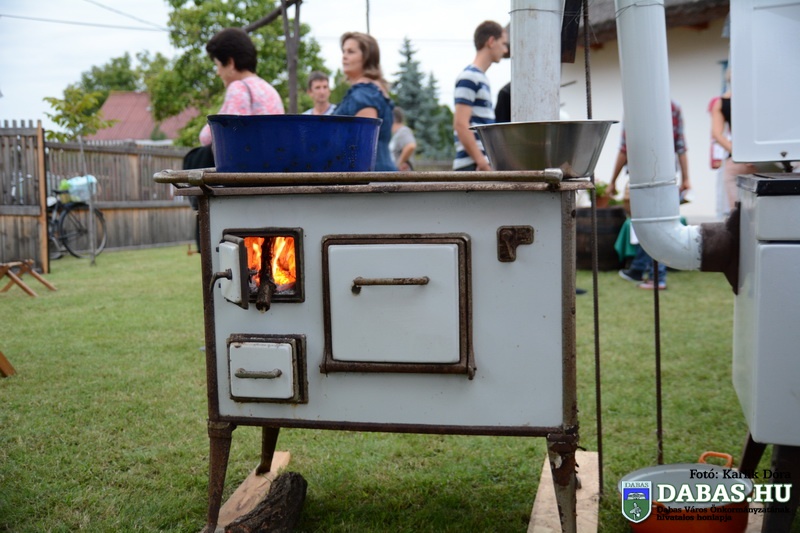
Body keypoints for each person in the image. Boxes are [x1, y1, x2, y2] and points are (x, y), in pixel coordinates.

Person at [612, 100, 691, 290]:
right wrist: (686, 178)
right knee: (655, 225)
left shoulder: (634, 106)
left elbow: (625, 148)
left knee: (649, 226)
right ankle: (640, 269)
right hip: (666, 176)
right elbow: (680, 147)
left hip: (640, 177)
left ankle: (656, 276)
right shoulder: (673, 107)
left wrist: (612, 180)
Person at [198, 28, 285, 147]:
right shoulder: (270, 90)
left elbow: (228, 136)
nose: (218, 73)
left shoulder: (239, 88)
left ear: (230, 63)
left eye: (217, 65)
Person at [332, 32, 397, 171]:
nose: (344, 56)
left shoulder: (364, 94)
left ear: (367, 57)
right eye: (344, 51)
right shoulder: (374, 89)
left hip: (368, 175)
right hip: (377, 172)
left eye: (351, 52)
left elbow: (364, 145)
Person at [452, 20, 508, 171]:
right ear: (491, 41)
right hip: (472, 166)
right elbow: (460, 124)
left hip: (478, 164)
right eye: (503, 43)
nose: (505, 50)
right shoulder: (469, 77)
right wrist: (481, 161)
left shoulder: (481, 78)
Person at [710, 68, 757, 212]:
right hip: (761, 158)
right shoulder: (757, 98)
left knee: (738, 210)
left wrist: (739, 153)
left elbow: (717, 134)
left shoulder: (721, 102)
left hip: (738, 158)